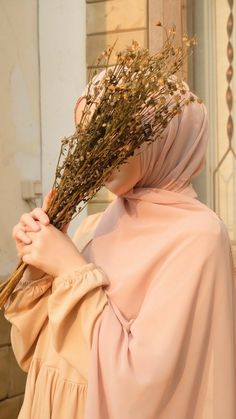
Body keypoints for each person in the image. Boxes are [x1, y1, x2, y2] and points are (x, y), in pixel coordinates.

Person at [3, 79, 236, 419]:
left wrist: (70, 270)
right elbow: (37, 352)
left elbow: (146, 384)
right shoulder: (94, 226)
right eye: (87, 134)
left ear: (164, 138)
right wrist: (41, 267)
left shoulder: (198, 237)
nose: (94, 149)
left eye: (112, 133)